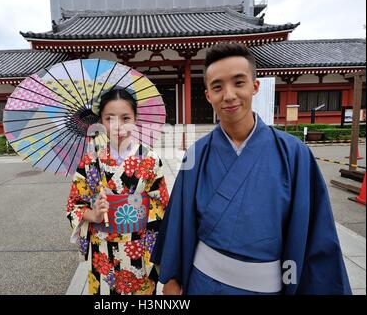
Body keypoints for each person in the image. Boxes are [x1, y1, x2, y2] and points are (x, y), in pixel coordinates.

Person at [151, 43, 351, 295]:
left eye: (238, 82)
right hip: (204, 284)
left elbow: (315, 232)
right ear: (208, 96)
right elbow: (179, 222)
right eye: (217, 87)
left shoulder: (294, 154)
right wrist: (172, 278)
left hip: (266, 287)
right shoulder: (197, 154)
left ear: (254, 86)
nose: (229, 95)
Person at [66, 89, 169, 295]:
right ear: (101, 121)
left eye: (125, 118)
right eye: (109, 118)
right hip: (102, 249)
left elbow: (162, 205)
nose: (118, 126)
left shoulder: (149, 159)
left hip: (138, 248)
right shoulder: (89, 160)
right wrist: (93, 214)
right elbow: (74, 205)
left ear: (135, 119)